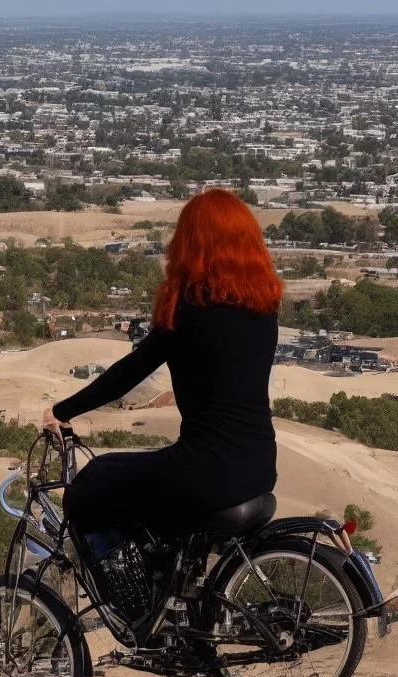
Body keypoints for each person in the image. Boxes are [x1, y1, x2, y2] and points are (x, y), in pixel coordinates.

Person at [43, 189, 283, 538]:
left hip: (208, 471)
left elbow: (128, 373)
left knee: (94, 479)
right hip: (260, 467)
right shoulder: (264, 310)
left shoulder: (191, 309)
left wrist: (63, 410)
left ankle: (125, 591)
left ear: (193, 244)